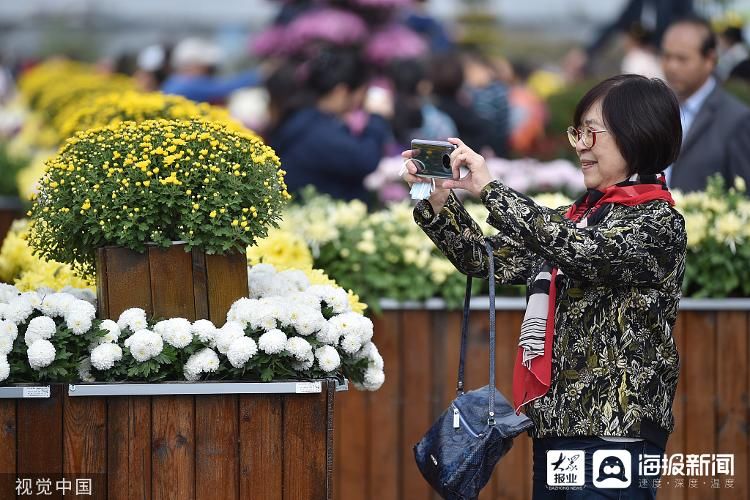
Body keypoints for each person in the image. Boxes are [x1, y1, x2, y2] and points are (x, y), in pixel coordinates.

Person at [403, 74, 686, 498]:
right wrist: (438, 201)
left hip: (617, 431)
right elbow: (484, 257)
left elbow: (583, 251)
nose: (580, 146)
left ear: (639, 134)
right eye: (578, 132)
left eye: (591, 132)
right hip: (556, 425)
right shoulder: (574, 218)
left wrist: (490, 188)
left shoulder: (657, 222)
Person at [269, 48, 391, 201]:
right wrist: (377, 118)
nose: (362, 100)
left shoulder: (302, 118)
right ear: (341, 91)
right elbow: (365, 159)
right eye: (362, 92)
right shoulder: (316, 130)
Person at [661, 16, 750, 191]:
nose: (671, 66)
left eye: (682, 59)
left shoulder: (736, 119)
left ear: (709, 60)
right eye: (667, 56)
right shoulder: (657, 109)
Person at [161, 37, 261, 104]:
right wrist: (259, 74)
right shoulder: (188, 84)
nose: (208, 74)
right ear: (194, 65)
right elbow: (224, 88)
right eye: (208, 68)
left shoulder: (173, 81)